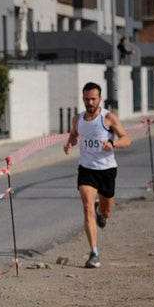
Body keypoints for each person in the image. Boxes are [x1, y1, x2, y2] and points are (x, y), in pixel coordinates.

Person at [63, 82, 130, 268]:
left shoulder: (108, 118)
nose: (90, 102)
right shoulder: (78, 119)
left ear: (100, 98)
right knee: (87, 207)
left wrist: (114, 144)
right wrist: (70, 143)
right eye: (86, 99)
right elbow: (75, 135)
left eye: (93, 99)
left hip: (107, 169)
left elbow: (126, 139)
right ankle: (94, 252)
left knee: (106, 211)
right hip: (86, 169)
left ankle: (102, 211)